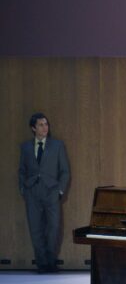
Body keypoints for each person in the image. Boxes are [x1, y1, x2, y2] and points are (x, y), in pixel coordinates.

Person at [18, 113, 70, 273]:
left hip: (51, 192)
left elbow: (65, 171)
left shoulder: (57, 145)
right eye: (41, 125)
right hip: (32, 192)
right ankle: (42, 264)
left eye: (46, 124)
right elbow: (22, 171)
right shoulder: (26, 147)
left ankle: (51, 262)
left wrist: (60, 190)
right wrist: (23, 189)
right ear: (33, 128)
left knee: (53, 228)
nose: (45, 127)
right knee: (35, 229)